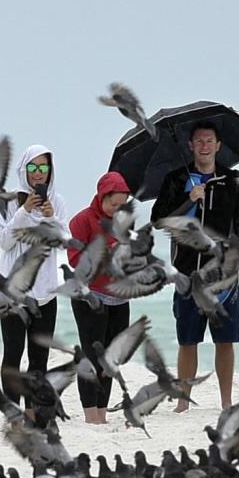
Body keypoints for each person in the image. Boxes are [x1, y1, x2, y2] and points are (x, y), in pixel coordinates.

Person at [150, 121, 239, 412]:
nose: (204, 146)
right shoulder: (176, 180)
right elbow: (159, 219)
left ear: (219, 146)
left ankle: (226, 400)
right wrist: (188, 199)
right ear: (190, 146)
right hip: (187, 272)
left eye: (210, 141)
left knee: (225, 340)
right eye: (199, 141)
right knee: (188, 339)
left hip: (223, 275)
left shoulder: (233, 181)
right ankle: (183, 402)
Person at [0, 145, 66, 419]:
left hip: (45, 292)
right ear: (24, 170)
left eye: (43, 168)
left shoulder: (57, 202)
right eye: (33, 168)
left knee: (39, 359)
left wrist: (50, 217)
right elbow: (4, 241)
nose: (38, 174)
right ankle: (13, 414)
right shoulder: (7, 202)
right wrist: (24, 210)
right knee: (12, 356)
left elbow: (64, 240)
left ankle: (34, 412)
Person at [67, 171, 131, 424]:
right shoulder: (81, 221)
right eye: (112, 204)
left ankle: (102, 414)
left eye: (122, 205)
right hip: (90, 296)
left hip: (120, 297)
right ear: (101, 196)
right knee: (92, 357)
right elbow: (75, 261)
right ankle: (91, 415)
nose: (117, 210)